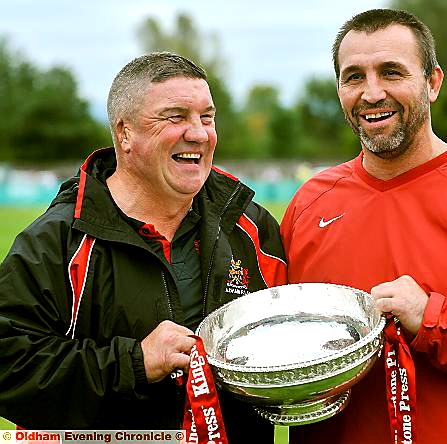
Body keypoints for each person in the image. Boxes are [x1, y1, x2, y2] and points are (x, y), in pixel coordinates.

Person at [280, 8, 447, 444]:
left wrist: (433, 320)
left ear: (433, 82)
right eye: (354, 77)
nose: (372, 93)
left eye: (391, 72)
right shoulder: (310, 203)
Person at [0, 52, 287, 441]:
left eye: (207, 117)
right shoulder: (58, 242)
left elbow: (288, 336)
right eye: (175, 117)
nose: (199, 133)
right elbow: (9, 366)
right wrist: (133, 363)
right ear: (124, 133)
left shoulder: (249, 225)